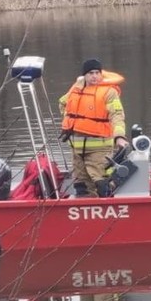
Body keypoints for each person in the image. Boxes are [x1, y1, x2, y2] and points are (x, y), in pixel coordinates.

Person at [59, 58, 129, 197]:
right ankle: (85, 213)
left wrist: (119, 137)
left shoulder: (109, 92)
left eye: (97, 72)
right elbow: (63, 103)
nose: (95, 76)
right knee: (81, 186)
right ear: (85, 75)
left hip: (100, 148)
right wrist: (72, 121)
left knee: (101, 184)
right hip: (77, 148)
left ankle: (107, 213)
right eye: (91, 73)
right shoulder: (77, 88)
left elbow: (117, 115)